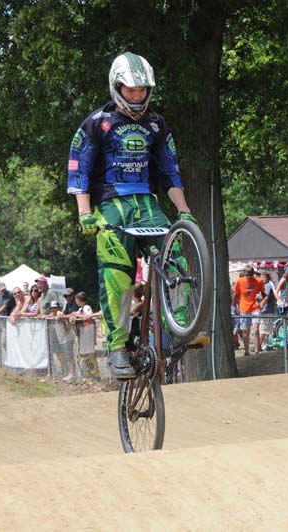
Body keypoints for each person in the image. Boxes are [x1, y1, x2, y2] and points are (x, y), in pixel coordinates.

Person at [67, 52, 195, 378]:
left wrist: (184, 211)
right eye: (131, 90)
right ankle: (117, 349)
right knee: (117, 276)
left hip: (147, 204)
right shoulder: (97, 123)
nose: (137, 96)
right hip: (110, 204)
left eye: (142, 90)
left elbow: (170, 171)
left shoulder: (156, 124)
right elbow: (79, 170)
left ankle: (179, 327)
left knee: (174, 256)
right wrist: (85, 213)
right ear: (117, 87)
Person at [232, 265, 265, 356]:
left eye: (251, 274)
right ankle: (246, 352)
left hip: (255, 307)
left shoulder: (259, 280)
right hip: (244, 309)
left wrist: (261, 299)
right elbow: (236, 294)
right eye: (247, 275)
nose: (249, 277)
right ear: (244, 274)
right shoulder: (239, 281)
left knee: (256, 329)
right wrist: (234, 304)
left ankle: (257, 351)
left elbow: (263, 294)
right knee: (245, 332)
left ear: (253, 273)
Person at [258, 270, 276, 351]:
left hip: (266, 311)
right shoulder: (263, 286)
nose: (262, 279)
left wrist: (261, 305)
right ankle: (265, 345)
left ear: (268, 278)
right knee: (266, 330)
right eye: (261, 277)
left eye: (264, 277)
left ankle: (258, 347)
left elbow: (266, 297)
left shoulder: (268, 285)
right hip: (265, 311)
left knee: (263, 330)